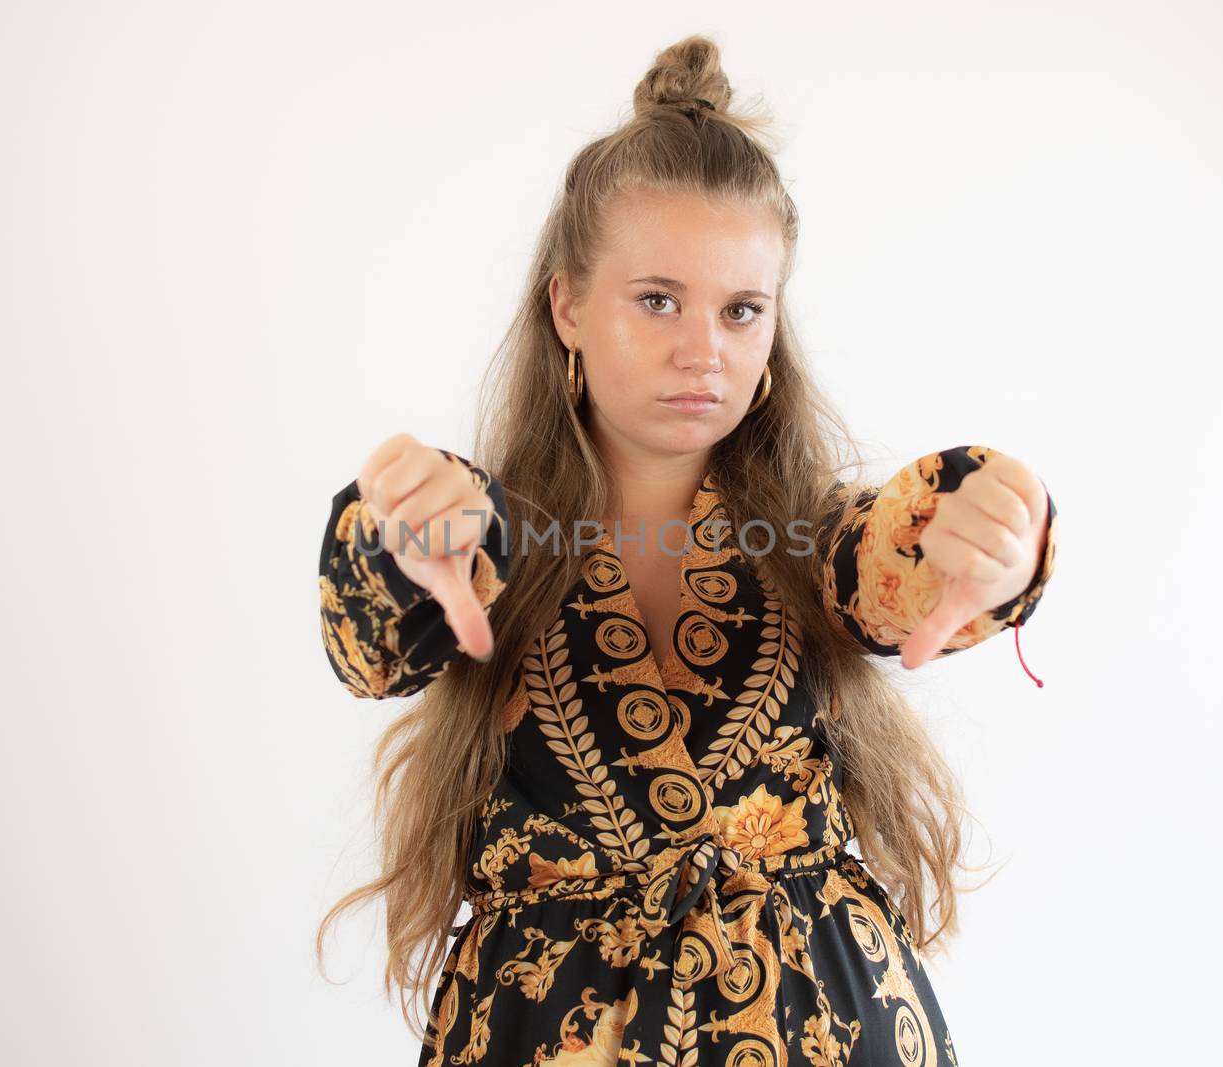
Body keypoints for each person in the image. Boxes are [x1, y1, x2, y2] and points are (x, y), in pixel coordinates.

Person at [315, 34, 1059, 1067]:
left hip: (820, 1026)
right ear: (568, 305)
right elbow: (372, 643)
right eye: (656, 299)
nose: (702, 348)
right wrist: (398, 536)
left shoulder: (814, 541)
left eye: (741, 309)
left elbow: (895, 554)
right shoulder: (486, 535)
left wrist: (986, 539)